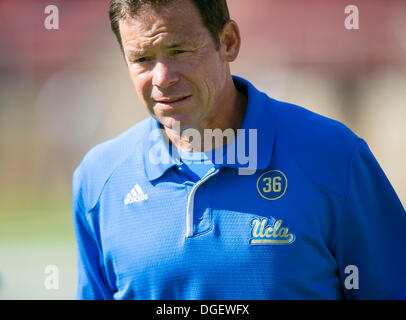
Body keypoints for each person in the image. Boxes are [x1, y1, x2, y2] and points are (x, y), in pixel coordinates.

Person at [72, 0, 406, 300]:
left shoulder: (334, 157)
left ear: (228, 41)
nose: (162, 78)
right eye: (142, 59)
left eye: (179, 51)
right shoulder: (99, 179)